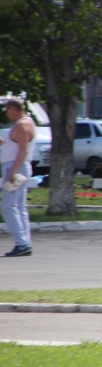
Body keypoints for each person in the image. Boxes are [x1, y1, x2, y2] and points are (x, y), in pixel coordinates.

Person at [1, 98, 35, 257]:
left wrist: (13, 172)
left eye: (7, 111)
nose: (7, 115)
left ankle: (21, 243)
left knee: (8, 206)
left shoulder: (22, 125)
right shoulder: (25, 123)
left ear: (13, 109)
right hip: (17, 166)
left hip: (16, 167)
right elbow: (15, 146)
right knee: (19, 207)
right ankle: (25, 243)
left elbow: (23, 150)